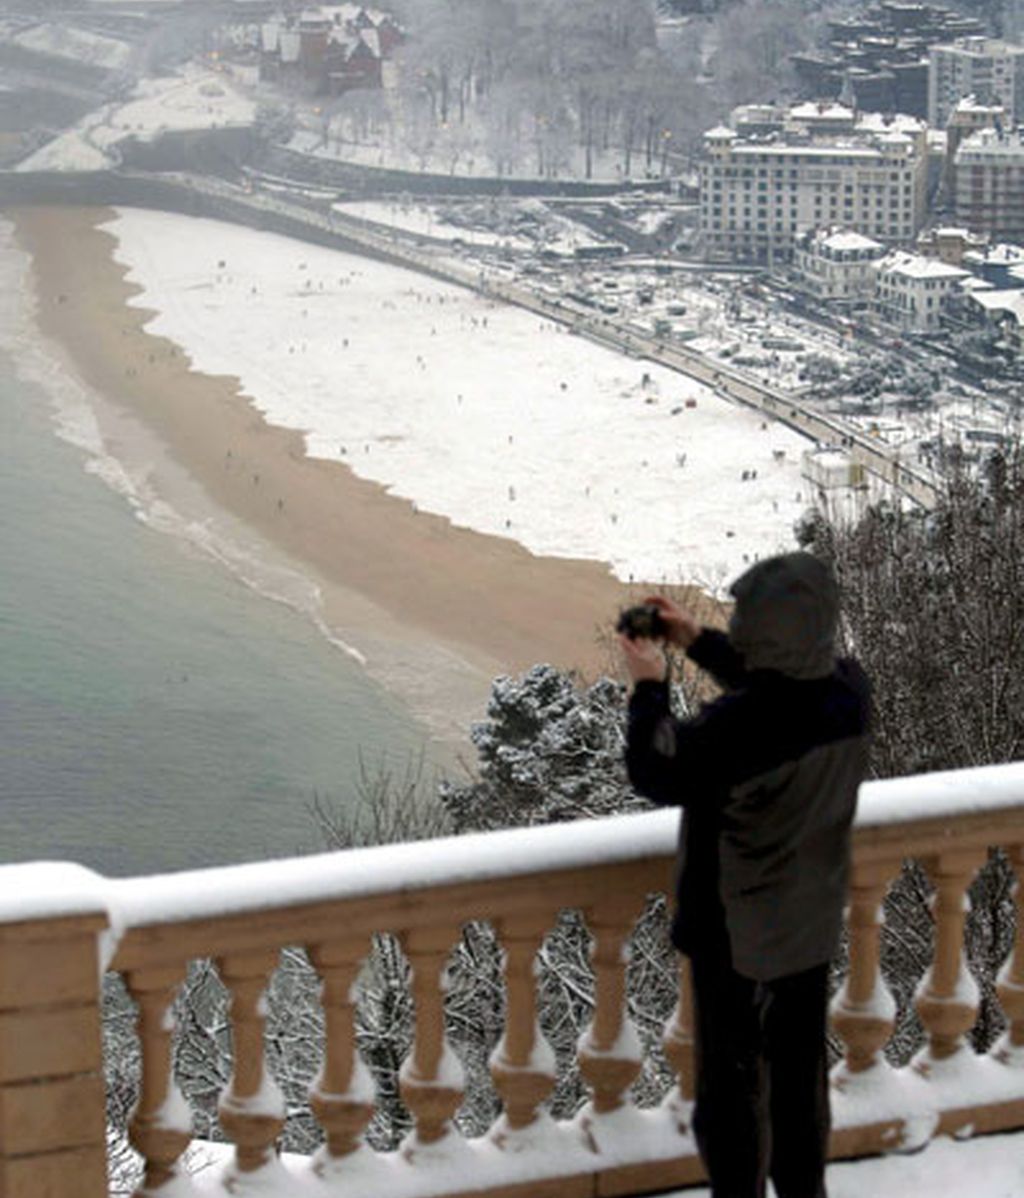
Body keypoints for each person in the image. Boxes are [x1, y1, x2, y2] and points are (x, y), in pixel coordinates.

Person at [619, 553, 871, 1198]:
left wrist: (649, 684)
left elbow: (657, 769)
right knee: (797, 1086)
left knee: (731, 1096)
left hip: (735, 933)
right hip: (809, 920)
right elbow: (781, 685)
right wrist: (697, 641)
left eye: (749, 622)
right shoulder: (847, 692)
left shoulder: (737, 729)